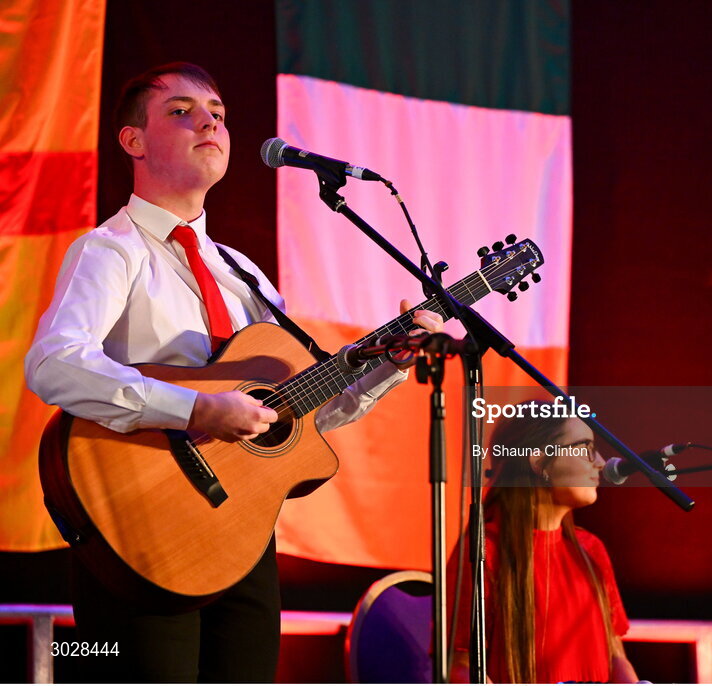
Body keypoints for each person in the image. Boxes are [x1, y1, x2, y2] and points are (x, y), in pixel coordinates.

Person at [24, 62, 442, 682]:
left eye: (218, 111)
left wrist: (385, 363)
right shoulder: (111, 251)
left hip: (242, 539)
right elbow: (54, 363)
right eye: (181, 110)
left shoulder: (241, 273)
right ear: (133, 142)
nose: (210, 121)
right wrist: (196, 409)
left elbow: (302, 409)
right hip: (141, 531)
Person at [448, 402, 639, 683]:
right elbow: (459, 667)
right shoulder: (482, 551)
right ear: (539, 462)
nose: (600, 462)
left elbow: (615, 655)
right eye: (586, 449)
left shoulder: (591, 549)